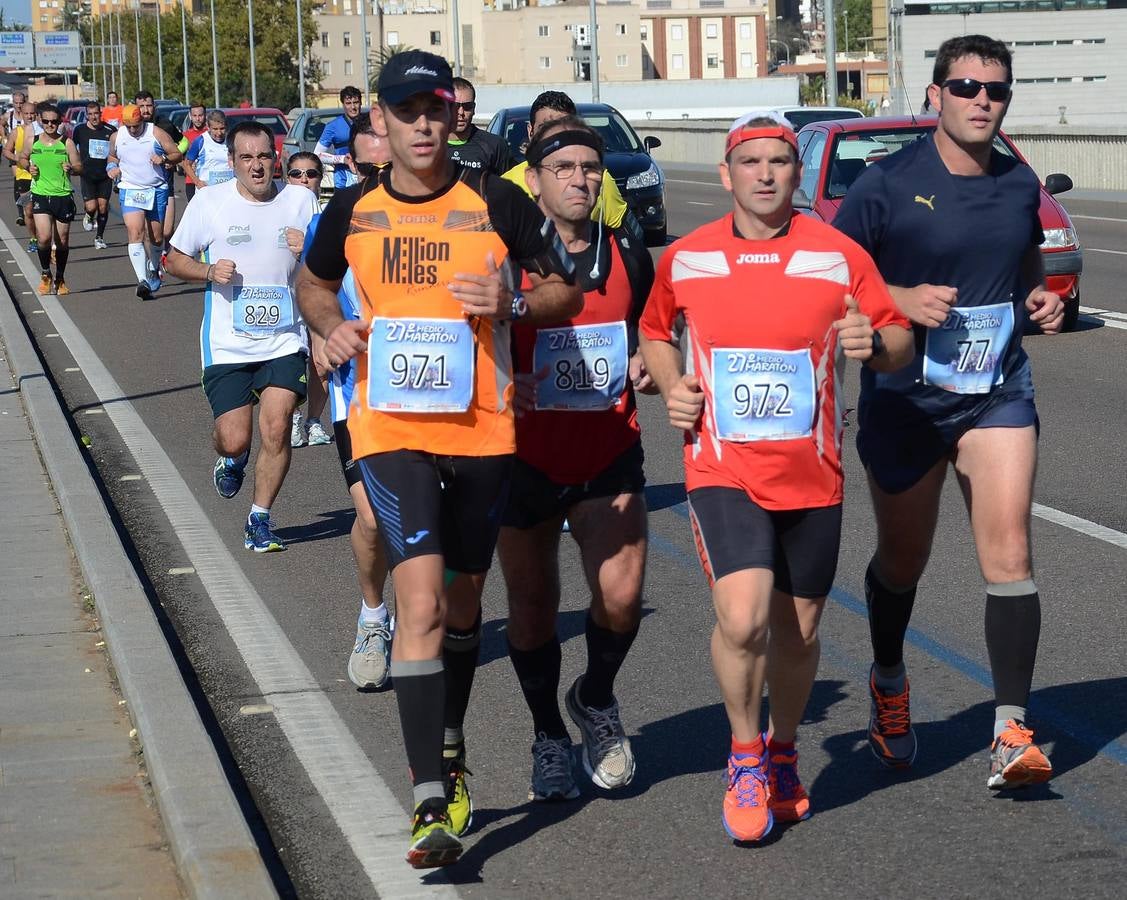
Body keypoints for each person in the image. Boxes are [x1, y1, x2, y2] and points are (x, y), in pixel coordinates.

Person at [296, 49, 581, 869]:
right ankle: (429, 799)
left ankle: (449, 743)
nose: (422, 124)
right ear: (379, 122)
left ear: (453, 117)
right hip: (390, 429)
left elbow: (563, 287)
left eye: (434, 110)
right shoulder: (349, 207)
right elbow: (312, 284)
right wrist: (328, 328)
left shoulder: (496, 199)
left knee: (462, 606)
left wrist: (516, 302)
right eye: (404, 111)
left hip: (482, 432)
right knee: (418, 604)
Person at [639, 116, 913, 843]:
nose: (765, 173)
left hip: (811, 474)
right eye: (750, 161)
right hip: (721, 466)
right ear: (725, 175)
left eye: (780, 162)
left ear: (798, 175)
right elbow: (654, 331)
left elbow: (894, 338)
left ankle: (784, 752)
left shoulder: (837, 254)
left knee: (798, 631)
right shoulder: (689, 258)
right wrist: (673, 386)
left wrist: (874, 344)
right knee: (742, 616)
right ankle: (743, 754)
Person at [832, 34, 1064, 790]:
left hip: (996, 390)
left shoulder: (1015, 183)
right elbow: (832, 280)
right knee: (904, 562)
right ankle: (890, 681)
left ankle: (1009, 732)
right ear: (933, 96)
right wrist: (895, 300)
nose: (981, 101)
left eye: (995, 89)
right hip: (904, 400)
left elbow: (1023, 256)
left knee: (1010, 555)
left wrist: (1037, 298)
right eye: (965, 87)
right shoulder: (885, 185)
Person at [498, 116, 656, 802]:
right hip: (521, 459)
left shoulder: (625, 249)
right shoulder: (501, 257)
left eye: (590, 168)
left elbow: (655, 325)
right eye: (562, 169)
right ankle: (546, 735)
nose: (579, 180)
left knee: (620, 599)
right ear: (532, 181)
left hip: (608, 449)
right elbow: (459, 341)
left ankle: (593, 698)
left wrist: (652, 355)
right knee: (532, 611)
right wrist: (501, 381)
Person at [164, 120, 319, 552]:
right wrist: (209, 271)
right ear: (231, 162)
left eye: (264, 157)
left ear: (277, 159)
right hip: (227, 342)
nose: (257, 166)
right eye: (246, 158)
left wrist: (306, 248)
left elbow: (330, 263)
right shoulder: (210, 203)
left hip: (285, 338)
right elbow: (173, 261)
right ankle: (231, 459)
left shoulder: (301, 201)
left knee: (278, 426)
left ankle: (260, 519)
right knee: (237, 438)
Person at [296, 124, 396, 690]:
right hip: (357, 392)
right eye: (369, 171)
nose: (380, 179)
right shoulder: (337, 216)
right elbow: (312, 287)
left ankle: (422, 610)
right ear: (353, 169)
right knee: (373, 516)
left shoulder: (448, 210)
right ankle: (373, 616)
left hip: (434, 395)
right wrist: (322, 331)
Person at [502, 91, 632, 233]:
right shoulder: (506, 186)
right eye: (545, 128)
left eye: (563, 127)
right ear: (530, 131)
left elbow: (627, 240)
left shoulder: (599, 179)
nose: (554, 135)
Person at [283, 150, 333, 450]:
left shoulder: (331, 213)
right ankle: (291, 417)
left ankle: (313, 420)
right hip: (284, 298)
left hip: (319, 296)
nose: (304, 180)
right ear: (286, 177)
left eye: (311, 174)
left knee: (321, 364)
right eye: (296, 174)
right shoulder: (275, 207)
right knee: (290, 364)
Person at [106, 104, 182, 300]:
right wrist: (112, 167)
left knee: (156, 237)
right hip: (130, 188)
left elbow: (177, 154)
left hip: (156, 189)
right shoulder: (117, 136)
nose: (133, 130)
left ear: (142, 121)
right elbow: (112, 156)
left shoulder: (155, 133)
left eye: (136, 126)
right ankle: (142, 281)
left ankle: (154, 268)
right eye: (129, 126)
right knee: (135, 232)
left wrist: (164, 158)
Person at [19, 103, 82, 296]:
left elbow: (80, 166)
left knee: (61, 240)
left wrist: (72, 168)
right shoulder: (33, 141)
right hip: (40, 194)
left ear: (60, 121)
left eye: (54, 121)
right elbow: (22, 158)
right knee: (44, 237)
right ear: (40, 120)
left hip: (62, 195)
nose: (50, 125)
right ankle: (46, 274)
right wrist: (27, 167)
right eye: (46, 121)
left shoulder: (67, 143)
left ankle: (60, 278)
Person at [135, 91, 186, 263]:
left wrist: (171, 159)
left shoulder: (164, 125)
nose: (145, 110)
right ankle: (153, 265)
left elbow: (183, 142)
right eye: (141, 106)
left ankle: (159, 256)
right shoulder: (132, 128)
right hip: (140, 186)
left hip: (165, 183)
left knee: (166, 231)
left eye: (148, 105)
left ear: (154, 107)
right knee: (146, 232)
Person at [72, 100, 116, 249]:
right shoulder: (80, 130)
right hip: (87, 174)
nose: (93, 117)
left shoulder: (110, 130)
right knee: (91, 207)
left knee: (103, 207)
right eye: (90, 114)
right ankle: (89, 215)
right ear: (87, 116)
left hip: (105, 175)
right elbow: (72, 148)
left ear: (100, 113)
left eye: (96, 113)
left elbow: (116, 151)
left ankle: (99, 238)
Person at [448, 77, 511, 176]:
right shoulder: (429, 145)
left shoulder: (495, 145)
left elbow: (507, 187)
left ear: (474, 109)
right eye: (455, 106)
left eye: (467, 106)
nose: (461, 112)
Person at [3, 100, 40, 249]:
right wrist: (17, 158)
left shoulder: (42, 131)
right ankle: (33, 238)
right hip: (23, 176)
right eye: (26, 114)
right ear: (22, 115)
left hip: (41, 176)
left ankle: (46, 238)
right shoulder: (16, 132)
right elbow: (6, 151)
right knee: (29, 211)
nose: (30, 116)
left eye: (32, 113)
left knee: (43, 210)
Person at [315, 85, 364, 191]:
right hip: (343, 182)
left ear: (361, 102)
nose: (353, 107)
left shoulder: (370, 122)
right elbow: (317, 154)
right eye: (348, 103)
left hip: (367, 179)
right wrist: (342, 159)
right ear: (343, 105)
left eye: (355, 102)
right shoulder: (332, 126)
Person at [182, 110, 232, 192]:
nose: (219, 133)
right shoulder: (201, 141)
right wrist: (197, 182)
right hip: (207, 191)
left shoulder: (231, 140)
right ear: (208, 127)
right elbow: (187, 164)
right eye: (215, 129)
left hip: (227, 190)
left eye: (222, 129)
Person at [182, 103, 209, 202]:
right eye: (195, 116)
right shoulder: (185, 136)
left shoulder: (210, 134)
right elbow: (178, 158)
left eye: (200, 115)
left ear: (205, 115)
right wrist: (185, 166)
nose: (198, 119)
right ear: (190, 116)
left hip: (208, 180)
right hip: (191, 181)